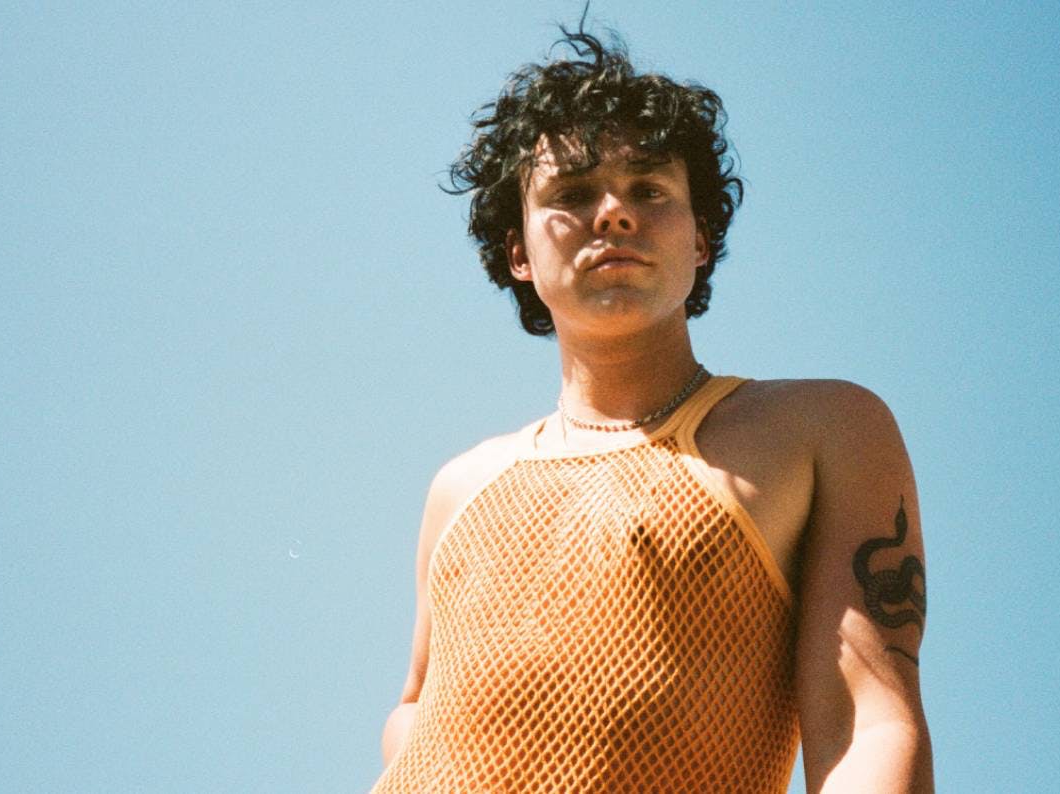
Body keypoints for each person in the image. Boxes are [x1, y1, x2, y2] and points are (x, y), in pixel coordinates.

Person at [371, 22, 932, 794]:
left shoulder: (820, 430)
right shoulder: (462, 487)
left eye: (649, 189)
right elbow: (414, 707)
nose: (613, 214)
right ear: (518, 252)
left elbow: (871, 722)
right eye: (572, 194)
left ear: (701, 237)